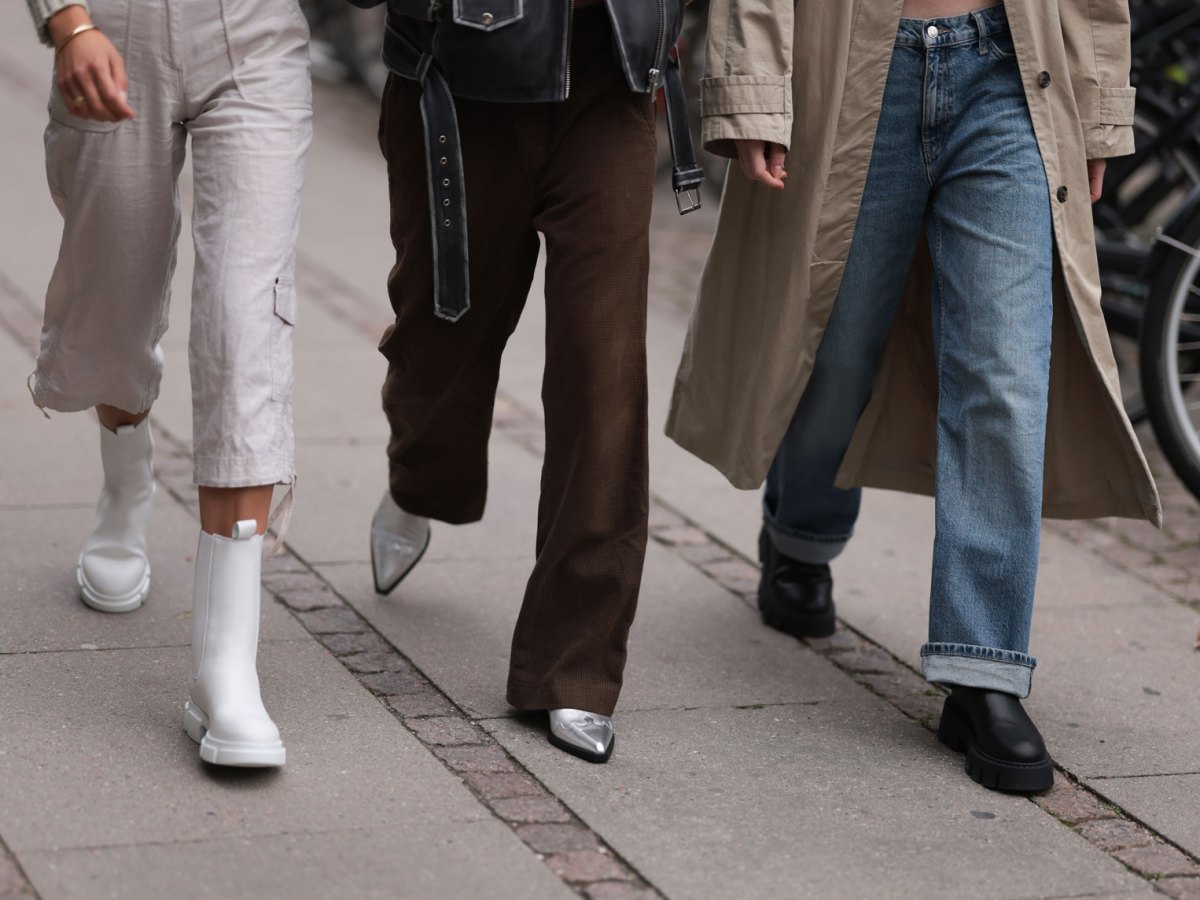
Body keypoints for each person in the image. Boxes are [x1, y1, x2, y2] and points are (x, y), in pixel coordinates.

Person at [667, 0, 1160, 792]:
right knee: (832, 349)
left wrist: (1099, 103)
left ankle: (985, 671)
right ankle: (801, 537)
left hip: (1008, 70)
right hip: (855, 66)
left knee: (1004, 378)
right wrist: (754, 88)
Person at [355, 0, 698, 763]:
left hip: (611, 82)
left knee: (603, 378)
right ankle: (422, 480)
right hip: (460, 81)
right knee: (441, 344)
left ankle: (573, 666)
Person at [26, 0, 312, 767]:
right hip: (110, 28)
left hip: (258, 34)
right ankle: (126, 486)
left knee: (244, 320)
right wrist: (68, 24)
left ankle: (225, 670)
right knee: (114, 308)